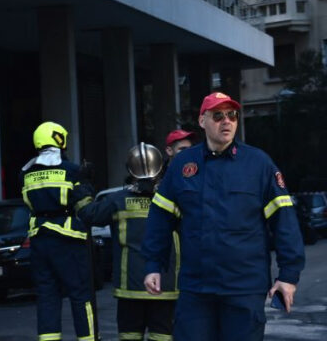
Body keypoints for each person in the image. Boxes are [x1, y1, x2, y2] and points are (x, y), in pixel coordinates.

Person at [142, 92, 306, 340]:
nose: (226, 121)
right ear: (202, 121)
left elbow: (284, 221)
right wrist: (153, 264)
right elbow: (160, 220)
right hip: (197, 288)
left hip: (244, 287)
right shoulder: (182, 165)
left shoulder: (259, 164)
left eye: (232, 115)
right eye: (218, 116)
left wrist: (288, 276)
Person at [80, 143, 178, 341]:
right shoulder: (173, 199)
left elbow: (88, 214)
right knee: (163, 337)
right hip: (165, 286)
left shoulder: (118, 200)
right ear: (160, 168)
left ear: (130, 171)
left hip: (130, 288)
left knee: (129, 336)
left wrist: (83, 186)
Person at [21, 121, 96, 341]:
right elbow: (84, 203)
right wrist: (87, 180)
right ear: (60, 140)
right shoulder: (71, 170)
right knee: (80, 296)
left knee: (47, 297)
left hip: (39, 241)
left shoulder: (26, 173)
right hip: (68, 241)